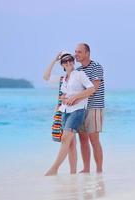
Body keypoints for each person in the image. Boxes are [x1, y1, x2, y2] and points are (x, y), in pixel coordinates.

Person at [43, 50, 95, 176]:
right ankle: (73, 174)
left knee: (65, 139)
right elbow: (46, 77)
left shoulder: (79, 74)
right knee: (71, 144)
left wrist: (75, 97)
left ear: (73, 61)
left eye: (70, 60)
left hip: (77, 111)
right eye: (65, 61)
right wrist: (54, 60)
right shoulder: (63, 79)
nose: (68, 62)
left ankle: (54, 169)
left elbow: (92, 89)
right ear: (62, 64)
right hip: (65, 111)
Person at [75, 43, 105, 173]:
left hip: (94, 107)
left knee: (94, 139)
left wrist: (75, 97)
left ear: (87, 53)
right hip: (81, 108)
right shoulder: (77, 71)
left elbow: (94, 88)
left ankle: (99, 170)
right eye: (75, 51)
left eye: (79, 52)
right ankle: (86, 169)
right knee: (82, 139)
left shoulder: (96, 67)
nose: (76, 54)